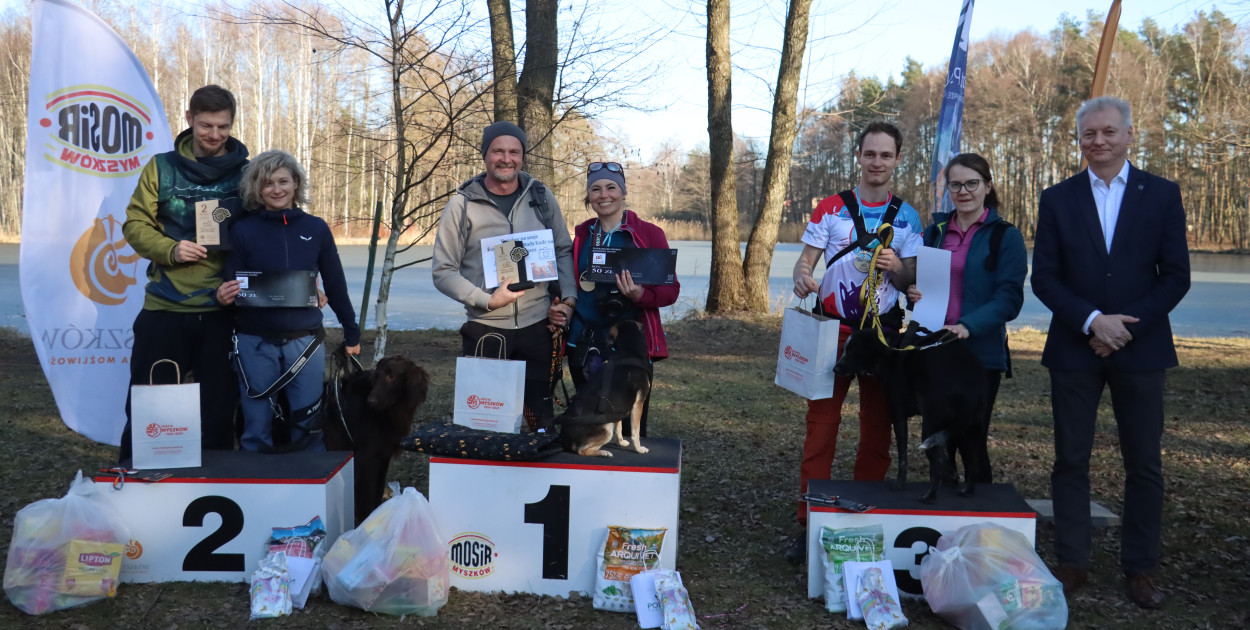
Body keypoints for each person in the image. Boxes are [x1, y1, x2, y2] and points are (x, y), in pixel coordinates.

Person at [1031, 96, 1190, 609]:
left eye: (1108, 132)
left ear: (1128, 135)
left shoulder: (1162, 195)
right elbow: (1046, 278)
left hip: (1141, 351)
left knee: (1143, 463)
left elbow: (1176, 277)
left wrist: (1123, 329)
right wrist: (1091, 321)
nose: (1098, 142)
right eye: (1088, 135)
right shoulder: (1057, 198)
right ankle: (1073, 561)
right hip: (1074, 350)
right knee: (1070, 460)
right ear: (1079, 140)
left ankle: (1140, 569)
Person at [787, 121, 922, 562]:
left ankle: (865, 514)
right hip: (832, 331)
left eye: (886, 155)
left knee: (877, 429)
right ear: (858, 157)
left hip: (883, 335)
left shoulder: (908, 217)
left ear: (897, 159)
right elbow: (803, 265)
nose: (877, 162)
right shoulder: (830, 208)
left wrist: (899, 267)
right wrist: (804, 277)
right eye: (870, 154)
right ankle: (811, 522)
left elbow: (914, 283)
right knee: (821, 428)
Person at [119, 85, 249, 462]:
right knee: (151, 408)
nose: (214, 135)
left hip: (222, 311)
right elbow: (135, 224)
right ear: (189, 119)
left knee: (219, 411)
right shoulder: (160, 168)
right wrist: (170, 250)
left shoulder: (248, 172)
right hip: (165, 307)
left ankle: (216, 484)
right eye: (206, 125)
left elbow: (269, 230)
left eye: (223, 127)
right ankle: (139, 483)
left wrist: (305, 280)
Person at [432, 121, 576, 431]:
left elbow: (563, 250)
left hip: (539, 327)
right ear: (485, 155)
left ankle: (538, 475)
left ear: (523, 156)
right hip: (486, 328)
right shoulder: (462, 204)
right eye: (498, 150)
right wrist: (486, 300)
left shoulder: (540, 195)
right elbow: (443, 271)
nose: (506, 158)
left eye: (514, 151)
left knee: (540, 422)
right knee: (485, 425)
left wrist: (568, 300)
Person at [214, 150, 360, 451]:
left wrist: (351, 330)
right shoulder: (241, 229)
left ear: (296, 183)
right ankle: (257, 489)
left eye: (283, 181)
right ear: (257, 188)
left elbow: (335, 282)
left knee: (309, 429)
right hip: (255, 342)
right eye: (268, 183)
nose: (276, 189)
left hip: (305, 344)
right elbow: (231, 280)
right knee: (255, 428)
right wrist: (221, 294)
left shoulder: (315, 228)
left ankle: (308, 492)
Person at [907, 153, 1027, 484]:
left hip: (979, 356)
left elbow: (1009, 298)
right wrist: (913, 294)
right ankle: (940, 521)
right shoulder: (935, 232)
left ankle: (978, 524)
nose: (964, 191)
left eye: (972, 183)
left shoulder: (1006, 236)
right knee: (936, 444)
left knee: (970, 443)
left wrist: (967, 326)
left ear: (987, 186)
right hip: (934, 352)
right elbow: (922, 286)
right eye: (956, 184)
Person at [565, 161, 681, 437]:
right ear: (588, 196)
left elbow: (671, 290)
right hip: (584, 342)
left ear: (623, 192)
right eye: (595, 189)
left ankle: (628, 476)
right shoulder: (582, 235)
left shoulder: (649, 234)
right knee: (589, 418)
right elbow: (568, 282)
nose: (603, 195)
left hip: (630, 348)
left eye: (610, 187)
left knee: (629, 426)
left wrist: (641, 295)